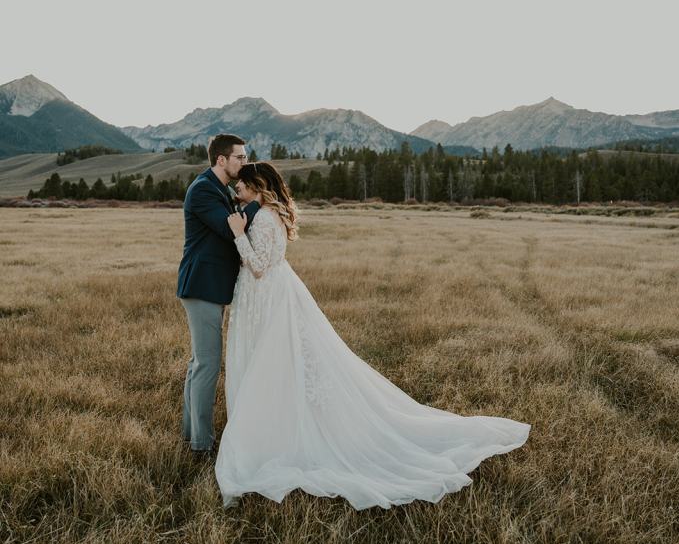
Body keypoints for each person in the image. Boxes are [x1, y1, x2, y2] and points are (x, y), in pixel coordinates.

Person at [214, 161, 530, 510]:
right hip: (276, 295)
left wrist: (238, 234)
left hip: (267, 298)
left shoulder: (258, 220)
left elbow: (258, 267)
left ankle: (270, 436)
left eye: (242, 185)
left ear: (258, 186)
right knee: (281, 366)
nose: (237, 190)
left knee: (269, 364)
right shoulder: (269, 214)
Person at [177, 134, 260, 457]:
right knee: (208, 364)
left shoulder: (218, 189)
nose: (245, 161)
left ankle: (191, 435)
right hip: (202, 286)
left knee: (200, 363)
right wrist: (259, 203)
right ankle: (201, 444)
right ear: (221, 160)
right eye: (239, 157)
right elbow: (229, 228)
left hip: (211, 286)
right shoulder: (202, 190)